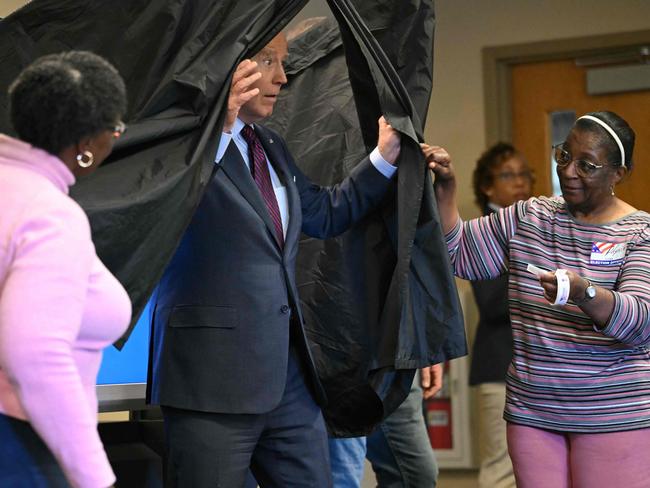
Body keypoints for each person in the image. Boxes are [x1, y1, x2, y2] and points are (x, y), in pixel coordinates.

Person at [147, 32, 401, 487]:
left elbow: (323, 212)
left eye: (283, 63)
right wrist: (218, 129)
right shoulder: (178, 144)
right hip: (210, 383)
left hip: (288, 382)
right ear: (231, 65)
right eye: (268, 61)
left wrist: (384, 158)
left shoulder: (270, 145)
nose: (283, 78)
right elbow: (162, 207)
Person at [425, 111, 650, 487]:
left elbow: (639, 321)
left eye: (587, 165)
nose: (570, 172)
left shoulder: (639, 232)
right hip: (534, 414)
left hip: (612, 414)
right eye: (564, 157)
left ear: (618, 174)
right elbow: (458, 253)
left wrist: (585, 293)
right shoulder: (531, 216)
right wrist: (445, 188)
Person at [0, 51, 130, 487]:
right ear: (85, 147)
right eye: (115, 129)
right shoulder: (50, 214)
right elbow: (34, 355)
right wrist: (95, 477)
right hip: (21, 442)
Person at [469, 142, 532, 488]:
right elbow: (492, 303)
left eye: (524, 174)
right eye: (508, 175)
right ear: (488, 186)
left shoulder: (535, 224)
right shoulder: (487, 230)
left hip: (541, 369)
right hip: (500, 367)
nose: (520, 183)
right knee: (502, 471)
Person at [329, 364, 443, 488]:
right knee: (342, 478)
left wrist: (429, 349)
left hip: (396, 364)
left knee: (416, 477)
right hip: (338, 365)